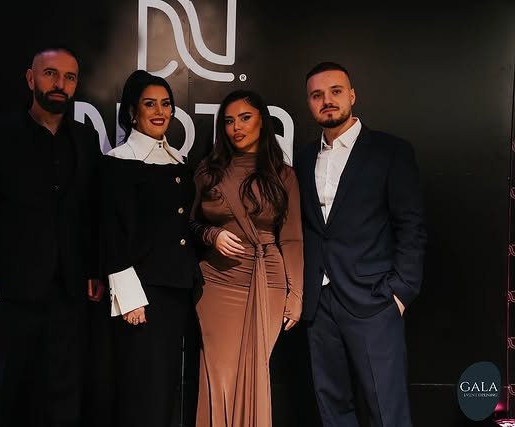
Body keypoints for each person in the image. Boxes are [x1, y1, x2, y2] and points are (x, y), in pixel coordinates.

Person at [0, 46, 103, 427]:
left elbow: (89, 211)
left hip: (68, 291)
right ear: (30, 78)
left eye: (69, 77)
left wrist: (93, 269)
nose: (59, 84)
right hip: (8, 290)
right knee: (3, 392)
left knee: (63, 396)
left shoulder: (85, 139)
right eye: (50, 74)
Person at [293, 61, 427, 427]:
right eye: (317, 95)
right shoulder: (303, 159)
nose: (327, 101)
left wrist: (400, 292)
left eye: (335, 91)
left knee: (386, 410)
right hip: (319, 303)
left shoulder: (390, 151)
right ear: (309, 103)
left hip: (374, 299)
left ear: (352, 95)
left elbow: (411, 225)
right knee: (332, 409)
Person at [190, 89, 303, 427]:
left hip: (268, 283)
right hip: (216, 282)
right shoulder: (208, 171)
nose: (236, 127)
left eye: (244, 118)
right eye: (228, 121)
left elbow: (292, 238)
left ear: (262, 122)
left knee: (254, 372)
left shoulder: (283, 175)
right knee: (219, 376)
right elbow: (188, 224)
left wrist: (296, 294)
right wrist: (212, 235)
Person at [99, 69, 201, 427]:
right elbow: (110, 232)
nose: (160, 112)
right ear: (132, 112)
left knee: (166, 387)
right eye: (149, 104)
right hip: (142, 295)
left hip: (178, 292)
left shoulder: (179, 161)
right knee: (141, 388)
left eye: (166, 104)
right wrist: (129, 298)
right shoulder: (117, 161)